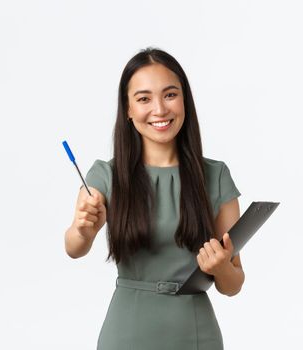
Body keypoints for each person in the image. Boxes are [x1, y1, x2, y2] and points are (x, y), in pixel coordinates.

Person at [64, 47, 244, 350]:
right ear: (128, 109)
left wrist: (222, 266)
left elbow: (233, 284)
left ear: (185, 99)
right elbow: (74, 247)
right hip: (127, 333)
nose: (159, 109)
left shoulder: (215, 176)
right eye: (144, 98)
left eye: (170, 95)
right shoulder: (106, 176)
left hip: (196, 335)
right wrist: (83, 229)